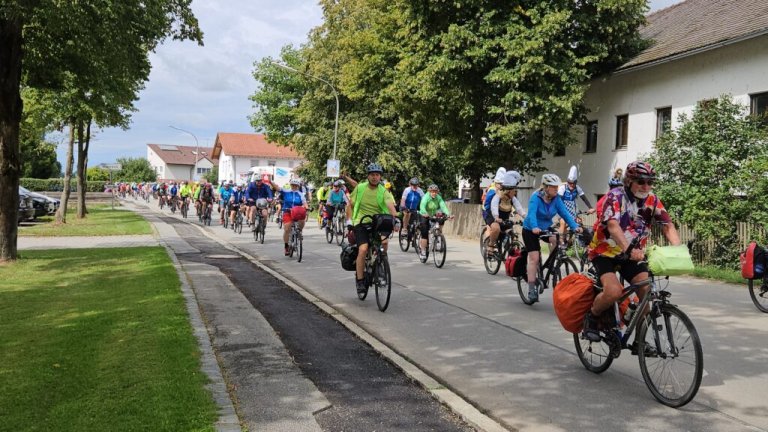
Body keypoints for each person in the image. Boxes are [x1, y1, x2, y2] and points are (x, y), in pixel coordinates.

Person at [582, 161, 681, 342]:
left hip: (631, 256)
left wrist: (678, 251)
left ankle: (640, 342)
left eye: (650, 182)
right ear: (629, 181)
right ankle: (593, 317)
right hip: (605, 253)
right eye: (641, 181)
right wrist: (629, 248)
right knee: (613, 292)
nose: (646, 186)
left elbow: (667, 226)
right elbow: (612, 226)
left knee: (646, 291)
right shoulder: (615, 197)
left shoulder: (652, 201)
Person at [522, 174, 582, 303]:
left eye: (557, 187)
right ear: (546, 187)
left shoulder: (556, 199)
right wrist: (534, 227)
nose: (556, 189)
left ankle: (551, 263)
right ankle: (531, 289)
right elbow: (531, 214)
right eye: (554, 187)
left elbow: (564, 213)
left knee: (556, 239)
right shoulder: (536, 197)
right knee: (534, 258)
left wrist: (575, 226)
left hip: (545, 227)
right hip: (530, 229)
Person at [346, 163, 399, 294]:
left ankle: (381, 261)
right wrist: (349, 220)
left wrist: (396, 219)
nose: (375, 177)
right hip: (361, 222)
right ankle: (360, 280)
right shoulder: (360, 188)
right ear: (368, 176)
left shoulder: (383, 191)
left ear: (380, 177)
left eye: (377, 175)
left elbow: (390, 206)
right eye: (372, 175)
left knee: (384, 242)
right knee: (363, 249)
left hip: (378, 222)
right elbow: (350, 205)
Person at [487, 171, 526, 255]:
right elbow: (494, 207)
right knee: (496, 228)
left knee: (512, 232)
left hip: (505, 219)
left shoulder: (513, 199)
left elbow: (519, 208)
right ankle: (491, 246)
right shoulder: (497, 197)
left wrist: (526, 216)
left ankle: (508, 251)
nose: (515, 193)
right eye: (514, 191)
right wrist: (496, 217)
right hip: (494, 218)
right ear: (508, 191)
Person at [557, 165, 595, 240]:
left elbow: (584, 198)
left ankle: (570, 241)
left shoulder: (577, 188)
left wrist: (590, 208)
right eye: (569, 183)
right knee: (563, 223)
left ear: (576, 182)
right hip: (562, 207)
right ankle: (561, 242)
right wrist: (562, 211)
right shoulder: (563, 188)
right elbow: (558, 201)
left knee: (577, 224)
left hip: (572, 209)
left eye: (573, 183)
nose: (571, 185)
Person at [417, 184, 452, 261]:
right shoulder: (426, 197)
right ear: (429, 191)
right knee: (425, 233)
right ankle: (423, 251)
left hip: (433, 214)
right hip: (424, 214)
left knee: (442, 220)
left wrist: (448, 214)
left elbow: (443, 206)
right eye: (432, 191)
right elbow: (422, 206)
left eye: (435, 192)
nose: (434, 193)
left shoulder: (438, 197)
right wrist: (425, 213)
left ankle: (438, 236)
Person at [281, 178, 308, 255]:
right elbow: (278, 188)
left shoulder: (300, 194)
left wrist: (306, 207)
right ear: (290, 185)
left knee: (302, 220)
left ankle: (299, 232)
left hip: (297, 212)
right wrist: (270, 182)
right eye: (292, 185)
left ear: (298, 186)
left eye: (296, 185)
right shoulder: (286, 192)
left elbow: (304, 202)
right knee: (287, 228)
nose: (294, 187)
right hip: (287, 212)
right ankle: (286, 246)